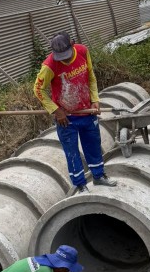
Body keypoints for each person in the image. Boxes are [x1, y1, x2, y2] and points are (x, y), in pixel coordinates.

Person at [34, 32, 117, 194]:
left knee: (93, 145)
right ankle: (80, 185)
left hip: (87, 111)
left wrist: (95, 99)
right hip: (66, 118)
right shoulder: (49, 66)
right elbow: (38, 90)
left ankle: (99, 177)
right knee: (72, 152)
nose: (63, 60)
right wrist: (56, 111)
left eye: (66, 55)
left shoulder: (83, 51)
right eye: (60, 57)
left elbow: (91, 77)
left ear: (72, 45)